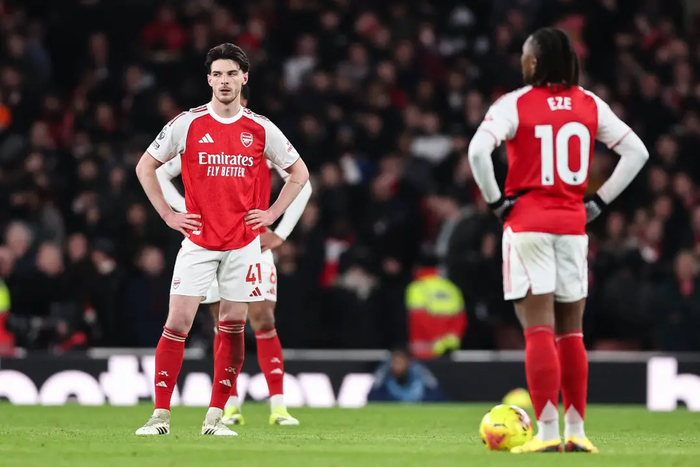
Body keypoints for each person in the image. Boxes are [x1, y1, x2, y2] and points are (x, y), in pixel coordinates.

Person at [467, 28, 648, 453]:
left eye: (524, 55)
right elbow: (637, 152)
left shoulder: (514, 103)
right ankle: (577, 432)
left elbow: (477, 152)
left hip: (528, 225)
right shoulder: (589, 103)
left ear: (534, 62)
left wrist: (496, 203)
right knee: (572, 334)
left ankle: (547, 434)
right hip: (572, 227)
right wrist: (599, 202)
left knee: (538, 331)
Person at [134, 43, 310, 436]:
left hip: (244, 245)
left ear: (244, 78)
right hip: (198, 242)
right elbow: (146, 166)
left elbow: (299, 173)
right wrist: (168, 214)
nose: (224, 81)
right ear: (209, 80)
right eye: (217, 74)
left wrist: (272, 215)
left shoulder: (261, 128)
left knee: (233, 326)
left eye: (231, 74)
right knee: (177, 322)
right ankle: (160, 416)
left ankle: (215, 418)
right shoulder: (188, 123)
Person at [367, 349, 447, 403]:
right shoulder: (385, 374)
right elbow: (372, 396)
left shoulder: (418, 371)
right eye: (395, 362)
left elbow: (436, 394)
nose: (397, 366)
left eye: (400, 362)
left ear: (407, 362)